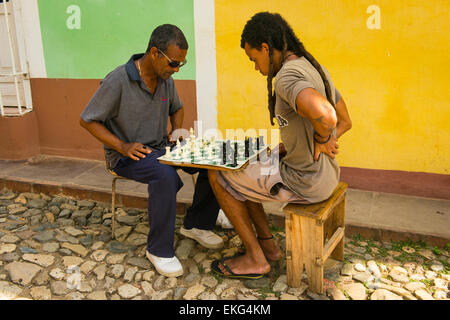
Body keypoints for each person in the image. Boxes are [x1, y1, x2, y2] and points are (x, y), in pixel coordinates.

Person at [208, 12, 352, 279]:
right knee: (251, 164)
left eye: (254, 59)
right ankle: (269, 248)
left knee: (218, 173)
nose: (255, 67)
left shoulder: (286, 77)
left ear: (266, 48)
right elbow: (344, 120)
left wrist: (321, 140)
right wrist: (307, 145)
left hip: (305, 181)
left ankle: (255, 258)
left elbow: (328, 117)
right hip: (326, 174)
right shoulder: (312, 66)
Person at [79, 24, 224, 277]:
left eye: (181, 64)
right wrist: (122, 146)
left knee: (210, 157)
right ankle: (158, 249)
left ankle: (197, 224)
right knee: (164, 174)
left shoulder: (165, 79)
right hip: (126, 156)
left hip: (161, 147)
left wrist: (177, 132)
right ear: (155, 53)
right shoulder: (117, 81)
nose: (176, 69)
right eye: (173, 63)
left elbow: (176, 108)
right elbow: (87, 120)